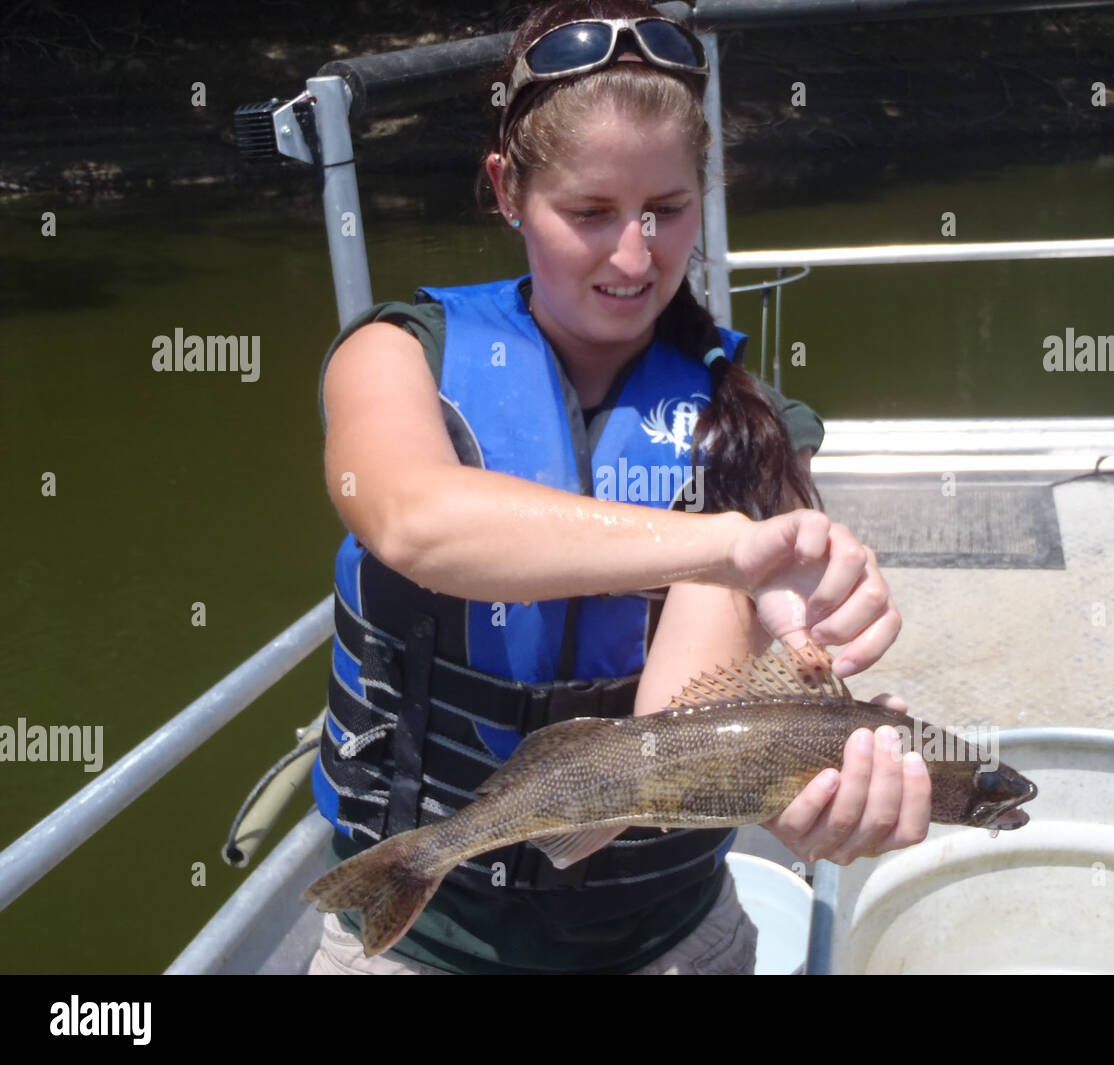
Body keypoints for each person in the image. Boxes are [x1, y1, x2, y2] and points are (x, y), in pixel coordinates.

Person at [307, 0, 931, 975]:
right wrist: (726, 545)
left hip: (664, 941)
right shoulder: (395, 355)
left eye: (666, 211)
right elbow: (413, 521)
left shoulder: (747, 426)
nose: (635, 258)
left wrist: (804, 791)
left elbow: (633, 779)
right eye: (589, 214)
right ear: (506, 190)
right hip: (410, 935)